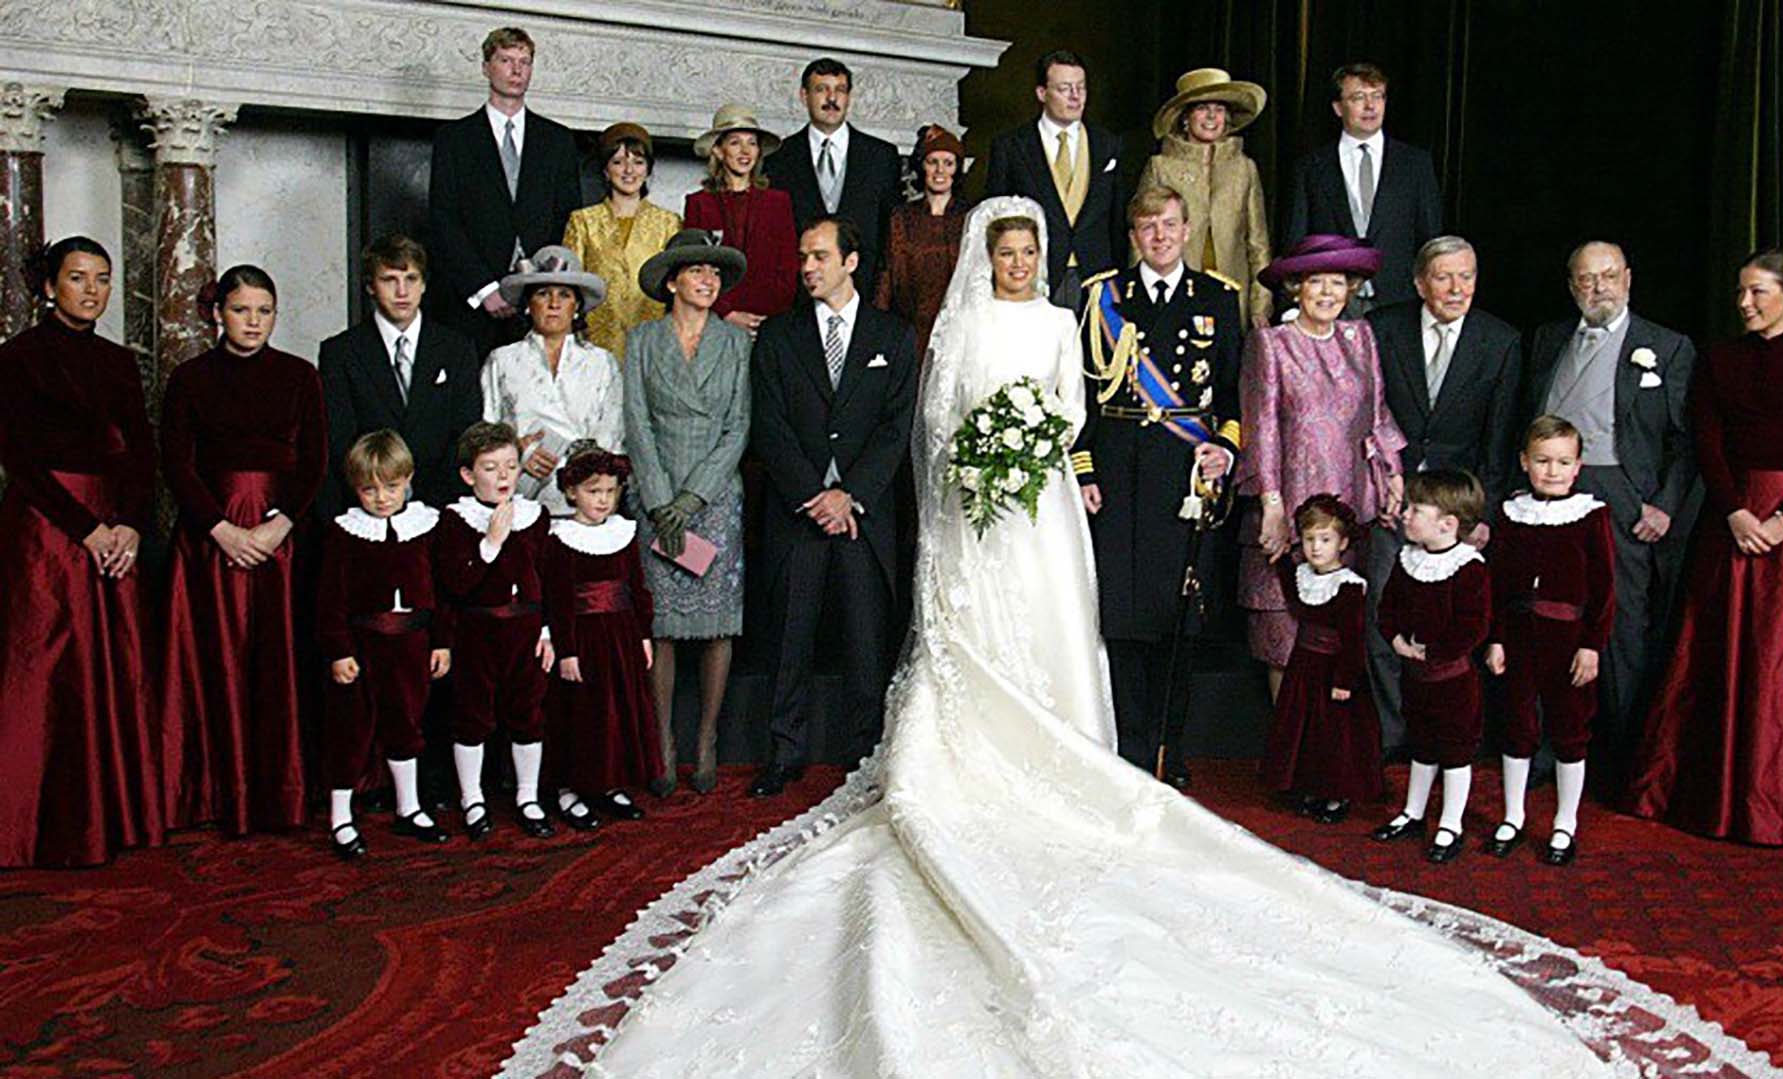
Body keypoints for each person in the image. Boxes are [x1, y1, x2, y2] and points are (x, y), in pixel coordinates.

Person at [583, 193, 1633, 1079]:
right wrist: (979, 460)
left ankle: (1065, 745)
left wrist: (1035, 450)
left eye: (1029, 250)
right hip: (973, 508)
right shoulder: (966, 324)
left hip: (1040, 502)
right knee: (969, 629)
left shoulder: (1055, 318)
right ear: (984, 256)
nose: (1018, 261)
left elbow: (1073, 410)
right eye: (1005, 250)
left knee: (1055, 627)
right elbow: (936, 419)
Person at [1628, 250, 1783, 846]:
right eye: (1741, 292)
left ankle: (1781, 802)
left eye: (1758, 292)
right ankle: (1714, 797)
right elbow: (1707, 442)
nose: (1745, 303)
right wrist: (1734, 511)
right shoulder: (1719, 360)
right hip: (1729, 520)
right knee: (1713, 654)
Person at [0, 236, 165, 868]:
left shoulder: (120, 362)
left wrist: (126, 525)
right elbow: (21, 463)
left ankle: (114, 818)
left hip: (112, 528)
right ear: (49, 287)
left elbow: (141, 454)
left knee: (116, 666)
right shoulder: (16, 360)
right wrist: (87, 529)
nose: (92, 290)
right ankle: (27, 828)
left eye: (103, 278)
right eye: (77, 278)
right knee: (41, 671)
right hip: (46, 530)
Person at [1072, 185, 1242, 787]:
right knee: (1120, 618)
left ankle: (1171, 745)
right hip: (1118, 470)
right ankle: (1130, 748)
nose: (1160, 237)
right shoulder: (1103, 296)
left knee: (1178, 619)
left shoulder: (1218, 298)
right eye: (1148, 228)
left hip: (1183, 472)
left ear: (1188, 228)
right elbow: (1084, 396)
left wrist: (1224, 446)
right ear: (1133, 235)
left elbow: (1231, 389)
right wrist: (1084, 468)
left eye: (1170, 226)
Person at [747, 216, 916, 797]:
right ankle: (782, 752)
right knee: (789, 636)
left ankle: (865, 755)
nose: (807, 268)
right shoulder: (778, 336)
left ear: (851, 262)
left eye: (819, 256)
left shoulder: (893, 337)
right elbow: (768, 426)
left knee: (866, 642)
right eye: (802, 258)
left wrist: (854, 496)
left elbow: (897, 429)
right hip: (799, 512)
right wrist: (815, 497)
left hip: (863, 519)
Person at [159, 264, 327, 835]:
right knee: (217, 662)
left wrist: (280, 525)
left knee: (279, 660)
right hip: (211, 539)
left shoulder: (301, 376)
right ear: (216, 314)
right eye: (241, 310)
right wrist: (221, 530)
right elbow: (177, 465)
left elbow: (315, 463)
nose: (253, 321)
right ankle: (216, 795)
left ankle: (283, 793)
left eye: (263, 311)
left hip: (281, 537)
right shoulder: (189, 378)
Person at [1527, 241, 1696, 799]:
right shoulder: (1548, 338)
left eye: (1606, 277)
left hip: (1624, 497)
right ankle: (1551, 747)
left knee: (1621, 626)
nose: (1597, 288)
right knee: (1549, 620)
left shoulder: (1666, 347)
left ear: (1627, 277)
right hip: (1551, 491)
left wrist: (1664, 504)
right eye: (1584, 279)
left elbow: (1684, 439)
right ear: (1571, 284)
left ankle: (1621, 756)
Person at [1364, 235, 1521, 747]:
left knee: (1454, 626)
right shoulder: (1383, 327)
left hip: (1457, 510)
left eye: (1467, 276)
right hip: (1393, 497)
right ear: (1418, 282)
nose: (1457, 288)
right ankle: (1393, 736)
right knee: (1383, 620)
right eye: (1444, 277)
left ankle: (1450, 738)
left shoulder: (1500, 341)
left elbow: (1499, 440)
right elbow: (1365, 412)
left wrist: (1480, 518)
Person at [1238, 235, 1404, 706]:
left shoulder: (1361, 338)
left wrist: (1391, 472)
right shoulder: (1272, 344)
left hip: (1348, 505)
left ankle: (1331, 755)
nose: (1328, 293)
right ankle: (1291, 753)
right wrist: (1271, 505)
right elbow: (1261, 429)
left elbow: (1378, 415)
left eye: (1337, 282)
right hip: (1290, 505)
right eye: (1316, 282)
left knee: (1339, 640)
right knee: (1285, 641)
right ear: (1296, 288)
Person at [626, 229, 752, 795]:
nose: (709, 280)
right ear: (672, 281)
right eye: (697, 271)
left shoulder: (735, 343)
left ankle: (706, 739)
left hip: (714, 496)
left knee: (718, 624)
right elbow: (637, 424)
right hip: (657, 498)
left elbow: (738, 426)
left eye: (715, 273)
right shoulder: (643, 341)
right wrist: (659, 500)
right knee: (664, 626)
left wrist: (692, 498)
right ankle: (662, 742)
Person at [1484, 417, 1615, 866]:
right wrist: (1497, 639)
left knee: (1569, 729)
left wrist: (1592, 645)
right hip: (1519, 638)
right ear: (1524, 462)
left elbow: (1604, 589)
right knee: (1517, 724)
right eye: (1542, 461)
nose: (1553, 471)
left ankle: (1564, 821)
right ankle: (1513, 814)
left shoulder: (1591, 516)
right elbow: (1497, 585)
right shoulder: (1510, 514)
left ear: (1578, 466)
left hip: (1570, 641)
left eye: (1563, 462)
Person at [316, 431, 451, 859]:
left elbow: (441, 591)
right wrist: (339, 650)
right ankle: (341, 816)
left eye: (391, 487)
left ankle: (408, 807)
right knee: (352, 729)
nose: (381, 498)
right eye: (369, 489)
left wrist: (441, 642)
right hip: (363, 646)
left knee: (406, 723)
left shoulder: (425, 526)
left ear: (407, 479)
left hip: (411, 643)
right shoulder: (346, 534)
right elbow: (330, 599)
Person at [428, 27, 583, 357]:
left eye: (524, 62)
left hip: (541, 302)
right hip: (472, 304)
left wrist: (545, 287)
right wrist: (483, 289)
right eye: (506, 60)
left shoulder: (558, 141)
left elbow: (568, 220)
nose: (516, 70)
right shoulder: (454, 139)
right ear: (487, 67)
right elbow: (443, 221)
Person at [434, 420, 555, 840]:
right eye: (490, 468)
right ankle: (472, 798)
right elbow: (454, 584)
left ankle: (528, 796)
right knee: (473, 715)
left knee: (528, 714)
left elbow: (545, 580)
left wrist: (547, 633)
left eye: (510, 466)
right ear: (468, 475)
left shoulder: (536, 517)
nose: (503, 476)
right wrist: (491, 542)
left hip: (525, 632)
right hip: (477, 634)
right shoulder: (455, 519)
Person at [1371, 468, 1492, 864]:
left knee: (1454, 751)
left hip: (1453, 682)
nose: (1404, 515)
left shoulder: (1468, 568)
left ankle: (1451, 824)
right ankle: (1413, 812)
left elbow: (1473, 626)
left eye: (1415, 509)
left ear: (1448, 524)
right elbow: (1387, 609)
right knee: (1420, 744)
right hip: (1416, 677)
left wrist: (1434, 652)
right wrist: (1397, 642)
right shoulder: (1408, 560)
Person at [319, 233, 483, 516]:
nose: (402, 291)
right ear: (370, 286)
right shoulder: (341, 352)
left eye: (411, 279)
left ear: (424, 284)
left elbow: (466, 432)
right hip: (368, 504)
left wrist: (428, 503)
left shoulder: (457, 348)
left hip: (443, 505)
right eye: (389, 280)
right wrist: (383, 493)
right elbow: (340, 437)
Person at [543, 443, 661, 830]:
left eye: (611, 492)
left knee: (616, 711)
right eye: (594, 492)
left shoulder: (622, 532)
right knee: (582, 714)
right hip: (583, 638)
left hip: (620, 635)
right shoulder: (560, 539)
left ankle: (609, 783)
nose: (603, 500)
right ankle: (569, 789)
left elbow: (636, 586)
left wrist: (643, 633)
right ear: (571, 491)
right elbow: (557, 599)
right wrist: (567, 650)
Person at [1285, 62, 1441, 313]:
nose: (1370, 106)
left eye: (1377, 96)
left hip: (1399, 303)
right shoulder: (1312, 167)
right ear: (1338, 107)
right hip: (1331, 304)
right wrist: (1290, 303)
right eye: (1358, 97)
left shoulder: (1415, 163)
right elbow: (1297, 240)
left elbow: (1430, 239)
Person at [1261, 495, 1380, 823]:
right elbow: (1291, 590)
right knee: (1306, 732)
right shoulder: (1303, 576)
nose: (1315, 548)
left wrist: (1345, 679)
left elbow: (1353, 639)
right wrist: (1279, 555)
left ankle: (1336, 795)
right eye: (1310, 539)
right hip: (1304, 667)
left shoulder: (1349, 586)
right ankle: (1308, 787)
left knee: (1333, 736)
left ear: (1342, 543)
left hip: (1334, 668)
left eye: (1325, 540)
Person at [480, 245, 623, 518]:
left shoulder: (602, 362)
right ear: (527, 305)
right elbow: (487, 431)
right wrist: (519, 454)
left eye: (565, 295)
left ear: (577, 306)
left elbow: (613, 432)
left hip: (586, 502)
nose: (554, 304)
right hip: (520, 497)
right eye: (543, 294)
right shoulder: (502, 360)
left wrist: (583, 470)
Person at [985, 49, 1129, 305]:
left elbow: (1118, 219)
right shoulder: (1011, 146)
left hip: (1097, 277)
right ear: (1042, 93)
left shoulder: (1108, 145)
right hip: (1034, 276)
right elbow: (996, 222)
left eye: (1081, 88)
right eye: (1064, 88)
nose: (1075, 97)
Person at [1136, 67, 1274, 328]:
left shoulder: (1244, 168)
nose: (1212, 116)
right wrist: (1143, 298)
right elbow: (1141, 238)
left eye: (1219, 108)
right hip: (1173, 292)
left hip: (1232, 293)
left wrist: (1260, 304)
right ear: (1186, 117)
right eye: (1202, 108)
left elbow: (1258, 243)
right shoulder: (1161, 166)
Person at [764, 57, 904, 300]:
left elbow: (891, 236)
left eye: (840, 90)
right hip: (798, 298)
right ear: (803, 95)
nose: (831, 98)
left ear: (849, 97)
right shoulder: (777, 158)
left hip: (864, 295)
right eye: (821, 89)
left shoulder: (882, 156)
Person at [563, 123, 683, 361]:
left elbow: (679, 289)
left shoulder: (669, 222)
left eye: (638, 162)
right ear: (606, 171)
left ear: (648, 169)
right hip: (594, 344)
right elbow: (569, 285)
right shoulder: (582, 221)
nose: (629, 171)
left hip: (653, 346)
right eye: (618, 162)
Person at [683, 105, 798, 337]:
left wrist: (768, 318)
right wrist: (726, 313)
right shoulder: (699, 203)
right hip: (717, 323)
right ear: (718, 150)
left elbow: (789, 267)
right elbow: (693, 269)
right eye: (735, 142)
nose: (745, 151)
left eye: (752, 143)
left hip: (771, 322)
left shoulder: (779, 202)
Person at [875, 123, 970, 362]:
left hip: (959, 329)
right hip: (910, 329)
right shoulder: (902, 216)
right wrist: (876, 326)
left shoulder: (971, 217)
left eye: (948, 163)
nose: (940, 170)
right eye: (932, 162)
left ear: (957, 169)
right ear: (921, 166)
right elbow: (887, 273)